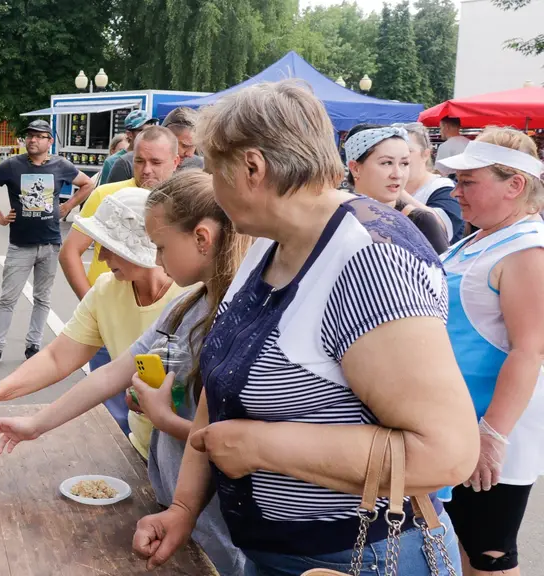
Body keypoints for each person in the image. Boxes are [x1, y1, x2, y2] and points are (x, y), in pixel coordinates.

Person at [132, 80, 479, 575]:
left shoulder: (370, 262)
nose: (212, 188)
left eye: (213, 172)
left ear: (252, 168)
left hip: (361, 557)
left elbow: (446, 455)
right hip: (277, 552)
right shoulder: (271, 243)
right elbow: (223, 383)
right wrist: (184, 508)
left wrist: (260, 446)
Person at [0, 170, 250, 575]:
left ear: (201, 238)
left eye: (161, 247)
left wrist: (163, 418)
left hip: (222, 517)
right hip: (180, 500)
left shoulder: (234, 316)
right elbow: (111, 373)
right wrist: (35, 424)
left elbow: (243, 442)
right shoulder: (186, 308)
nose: (158, 259)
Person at [0, 185, 186, 420]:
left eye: (110, 247)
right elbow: (57, 358)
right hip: (142, 440)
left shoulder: (189, 295)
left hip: (188, 448)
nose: (102, 257)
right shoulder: (106, 290)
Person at [436, 128, 544, 576]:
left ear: (514, 185)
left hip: (490, 428)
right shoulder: (478, 238)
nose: (455, 191)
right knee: (464, 545)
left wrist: (492, 436)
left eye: (468, 182)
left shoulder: (527, 250)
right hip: (457, 424)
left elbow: (531, 349)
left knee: (490, 556)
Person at [58, 126, 181, 433]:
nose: (146, 170)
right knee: (117, 412)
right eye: (139, 161)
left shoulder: (187, 206)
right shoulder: (108, 195)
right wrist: (95, 307)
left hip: (157, 319)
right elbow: (70, 252)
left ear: (176, 162)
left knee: (159, 402)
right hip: (113, 319)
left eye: (156, 162)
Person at [0, 119, 94, 363]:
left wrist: (68, 206)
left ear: (49, 141)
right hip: (20, 245)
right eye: (30, 135)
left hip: (50, 243)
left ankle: (33, 346)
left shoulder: (61, 165)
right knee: (8, 298)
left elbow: (87, 184)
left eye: (39, 136)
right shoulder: (11, 165)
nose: (33, 140)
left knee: (42, 298)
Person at [344, 124, 451, 253]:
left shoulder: (420, 222)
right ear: (355, 168)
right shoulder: (334, 215)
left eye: (404, 163)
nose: (398, 174)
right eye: (386, 163)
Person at [401, 122, 464, 244]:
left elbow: (442, 230)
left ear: (425, 154)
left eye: (408, 151)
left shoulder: (443, 188)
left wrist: (398, 192)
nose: (401, 157)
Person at [108, 107, 201, 184]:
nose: (190, 154)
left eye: (194, 146)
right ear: (167, 135)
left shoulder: (198, 166)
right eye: (185, 146)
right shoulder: (125, 165)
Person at [98, 110, 158, 185]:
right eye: (141, 131)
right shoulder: (111, 161)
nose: (147, 134)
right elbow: (104, 192)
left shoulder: (157, 157)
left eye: (150, 130)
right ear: (129, 134)